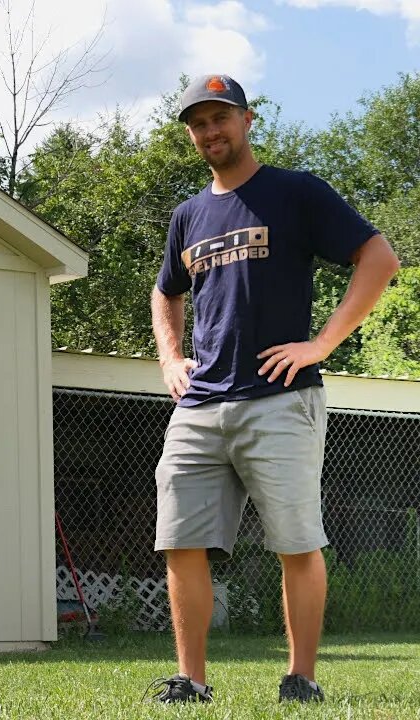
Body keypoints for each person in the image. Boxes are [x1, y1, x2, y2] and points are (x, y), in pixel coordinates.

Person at [146, 74, 401, 704]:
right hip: (201, 403)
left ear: (247, 119)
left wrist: (322, 344)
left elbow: (379, 258)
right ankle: (192, 681)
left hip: (281, 400)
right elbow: (165, 292)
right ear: (191, 133)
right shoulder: (189, 216)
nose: (210, 131)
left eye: (220, 118)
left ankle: (301, 678)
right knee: (179, 540)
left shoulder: (295, 193)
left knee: (295, 541)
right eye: (199, 122)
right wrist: (172, 357)